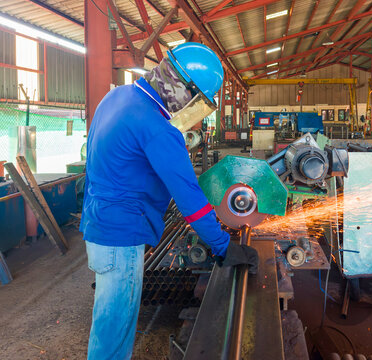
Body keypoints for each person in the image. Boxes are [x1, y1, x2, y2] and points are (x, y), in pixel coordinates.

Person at [80, 42, 258, 360]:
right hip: (121, 239)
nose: (191, 110)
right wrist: (222, 246)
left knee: (107, 324)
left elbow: (101, 167)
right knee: (115, 334)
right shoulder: (157, 128)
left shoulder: (116, 98)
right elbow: (191, 200)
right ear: (183, 88)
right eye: (196, 101)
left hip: (99, 227)